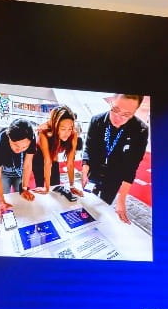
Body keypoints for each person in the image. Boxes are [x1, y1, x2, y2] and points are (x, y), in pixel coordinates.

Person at [83, 94, 150, 225]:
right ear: (112, 101)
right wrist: (85, 169)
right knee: (87, 204)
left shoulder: (140, 130)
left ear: (135, 112)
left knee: (104, 205)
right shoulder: (96, 120)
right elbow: (89, 148)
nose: (118, 118)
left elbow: (131, 166)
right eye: (116, 110)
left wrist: (122, 199)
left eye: (126, 114)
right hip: (94, 170)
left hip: (115, 176)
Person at [0, 119, 38, 214]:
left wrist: (24, 188)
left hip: (19, 171)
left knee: (22, 199)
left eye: (24, 147)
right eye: (16, 145)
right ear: (9, 136)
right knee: (3, 199)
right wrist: (1, 201)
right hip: (4, 172)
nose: (19, 150)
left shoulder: (32, 139)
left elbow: (27, 165)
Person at [35, 105, 81, 199]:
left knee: (56, 185)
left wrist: (72, 186)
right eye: (63, 129)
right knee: (41, 187)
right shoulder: (44, 132)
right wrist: (46, 188)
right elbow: (47, 161)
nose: (67, 133)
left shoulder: (73, 134)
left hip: (53, 156)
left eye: (70, 128)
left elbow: (70, 163)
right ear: (55, 126)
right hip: (39, 158)